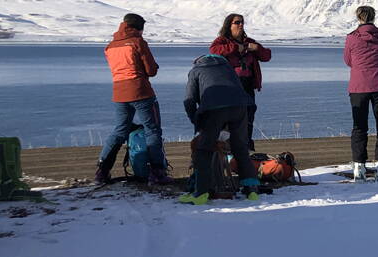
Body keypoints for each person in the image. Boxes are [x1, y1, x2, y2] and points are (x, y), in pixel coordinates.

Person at [96, 13, 171, 185]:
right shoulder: (137, 42)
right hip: (140, 91)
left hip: (119, 92)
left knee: (120, 131)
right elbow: (151, 70)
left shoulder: (111, 46)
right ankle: (157, 171)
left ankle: (102, 170)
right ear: (139, 27)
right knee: (152, 130)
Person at [180, 54, 260, 205]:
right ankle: (252, 189)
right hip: (241, 106)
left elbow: (189, 100)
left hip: (213, 108)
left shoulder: (196, 71)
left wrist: (196, 122)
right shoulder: (227, 68)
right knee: (240, 148)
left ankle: (201, 193)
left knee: (203, 149)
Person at [343, 5, 378, 181]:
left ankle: (359, 166)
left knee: (359, 126)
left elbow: (348, 61)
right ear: (373, 17)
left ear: (358, 17)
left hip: (358, 86)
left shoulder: (351, 38)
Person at [210, 14, 271, 150]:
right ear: (229, 25)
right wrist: (235, 48)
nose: (241, 25)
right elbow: (213, 51)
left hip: (247, 85)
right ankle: (227, 151)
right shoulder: (222, 41)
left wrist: (257, 49)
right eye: (237, 22)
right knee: (228, 119)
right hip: (228, 86)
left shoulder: (249, 42)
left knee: (248, 116)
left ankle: (246, 149)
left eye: (242, 22)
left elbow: (267, 56)